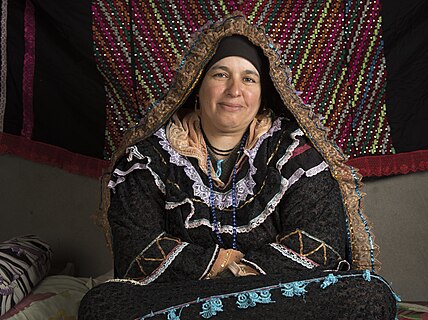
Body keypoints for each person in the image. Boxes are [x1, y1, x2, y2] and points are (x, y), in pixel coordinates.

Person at [79, 14, 398, 319]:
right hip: (186, 299)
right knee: (102, 305)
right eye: (220, 74)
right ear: (196, 85)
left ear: (262, 93)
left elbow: (321, 248)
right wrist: (220, 262)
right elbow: (135, 253)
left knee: (368, 296)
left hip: (274, 297)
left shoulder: (295, 153)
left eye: (249, 78)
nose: (235, 91)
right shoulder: (147, 158)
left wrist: (234, 273)